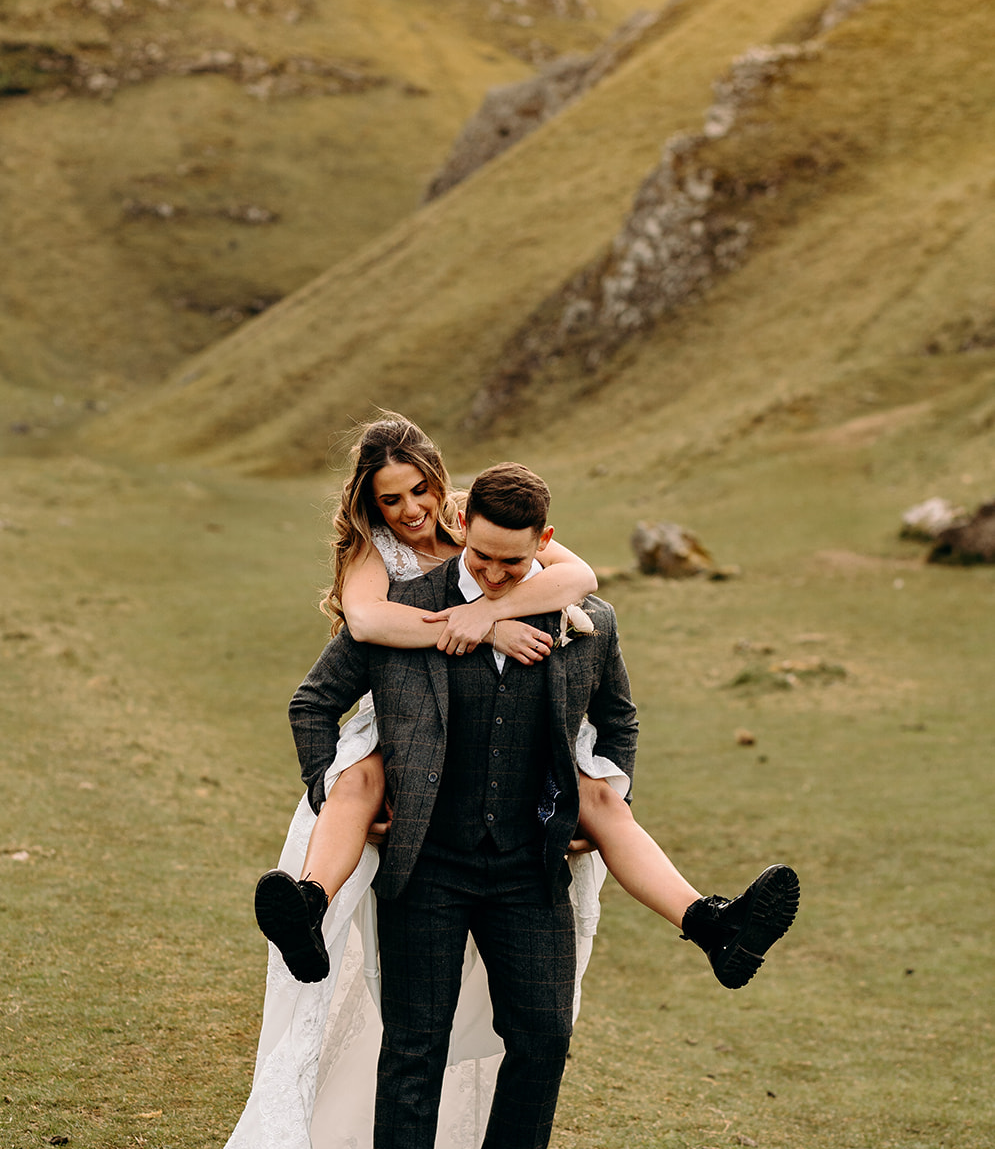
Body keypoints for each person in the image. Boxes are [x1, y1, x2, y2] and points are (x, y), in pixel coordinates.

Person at [287, 460, 798, 1149]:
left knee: (543, 1039)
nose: (491, 576)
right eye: (479, 558)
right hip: (427, 867)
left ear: (544, 547)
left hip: (530, 869)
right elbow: (314, 701)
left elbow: (621, 718)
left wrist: (603, 798)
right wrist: (331, 790)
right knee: (414, 1051)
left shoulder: (586, 622)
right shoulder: (405, 613)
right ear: (462, 531)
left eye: (511, 566)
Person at [257, 414, 798, 995]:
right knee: (359, 781)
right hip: (409, 712)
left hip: (506, 714)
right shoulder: (374, 549)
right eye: (391, 499)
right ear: (371, 503)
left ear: (443, 487)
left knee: (600, 797)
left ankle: (713, 924)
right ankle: (309, 903)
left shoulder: (477, 517)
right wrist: (485, 629)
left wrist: (490, 610)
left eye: (421, 490)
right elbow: (366, 620)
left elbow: (579, 574)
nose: (412, 510)